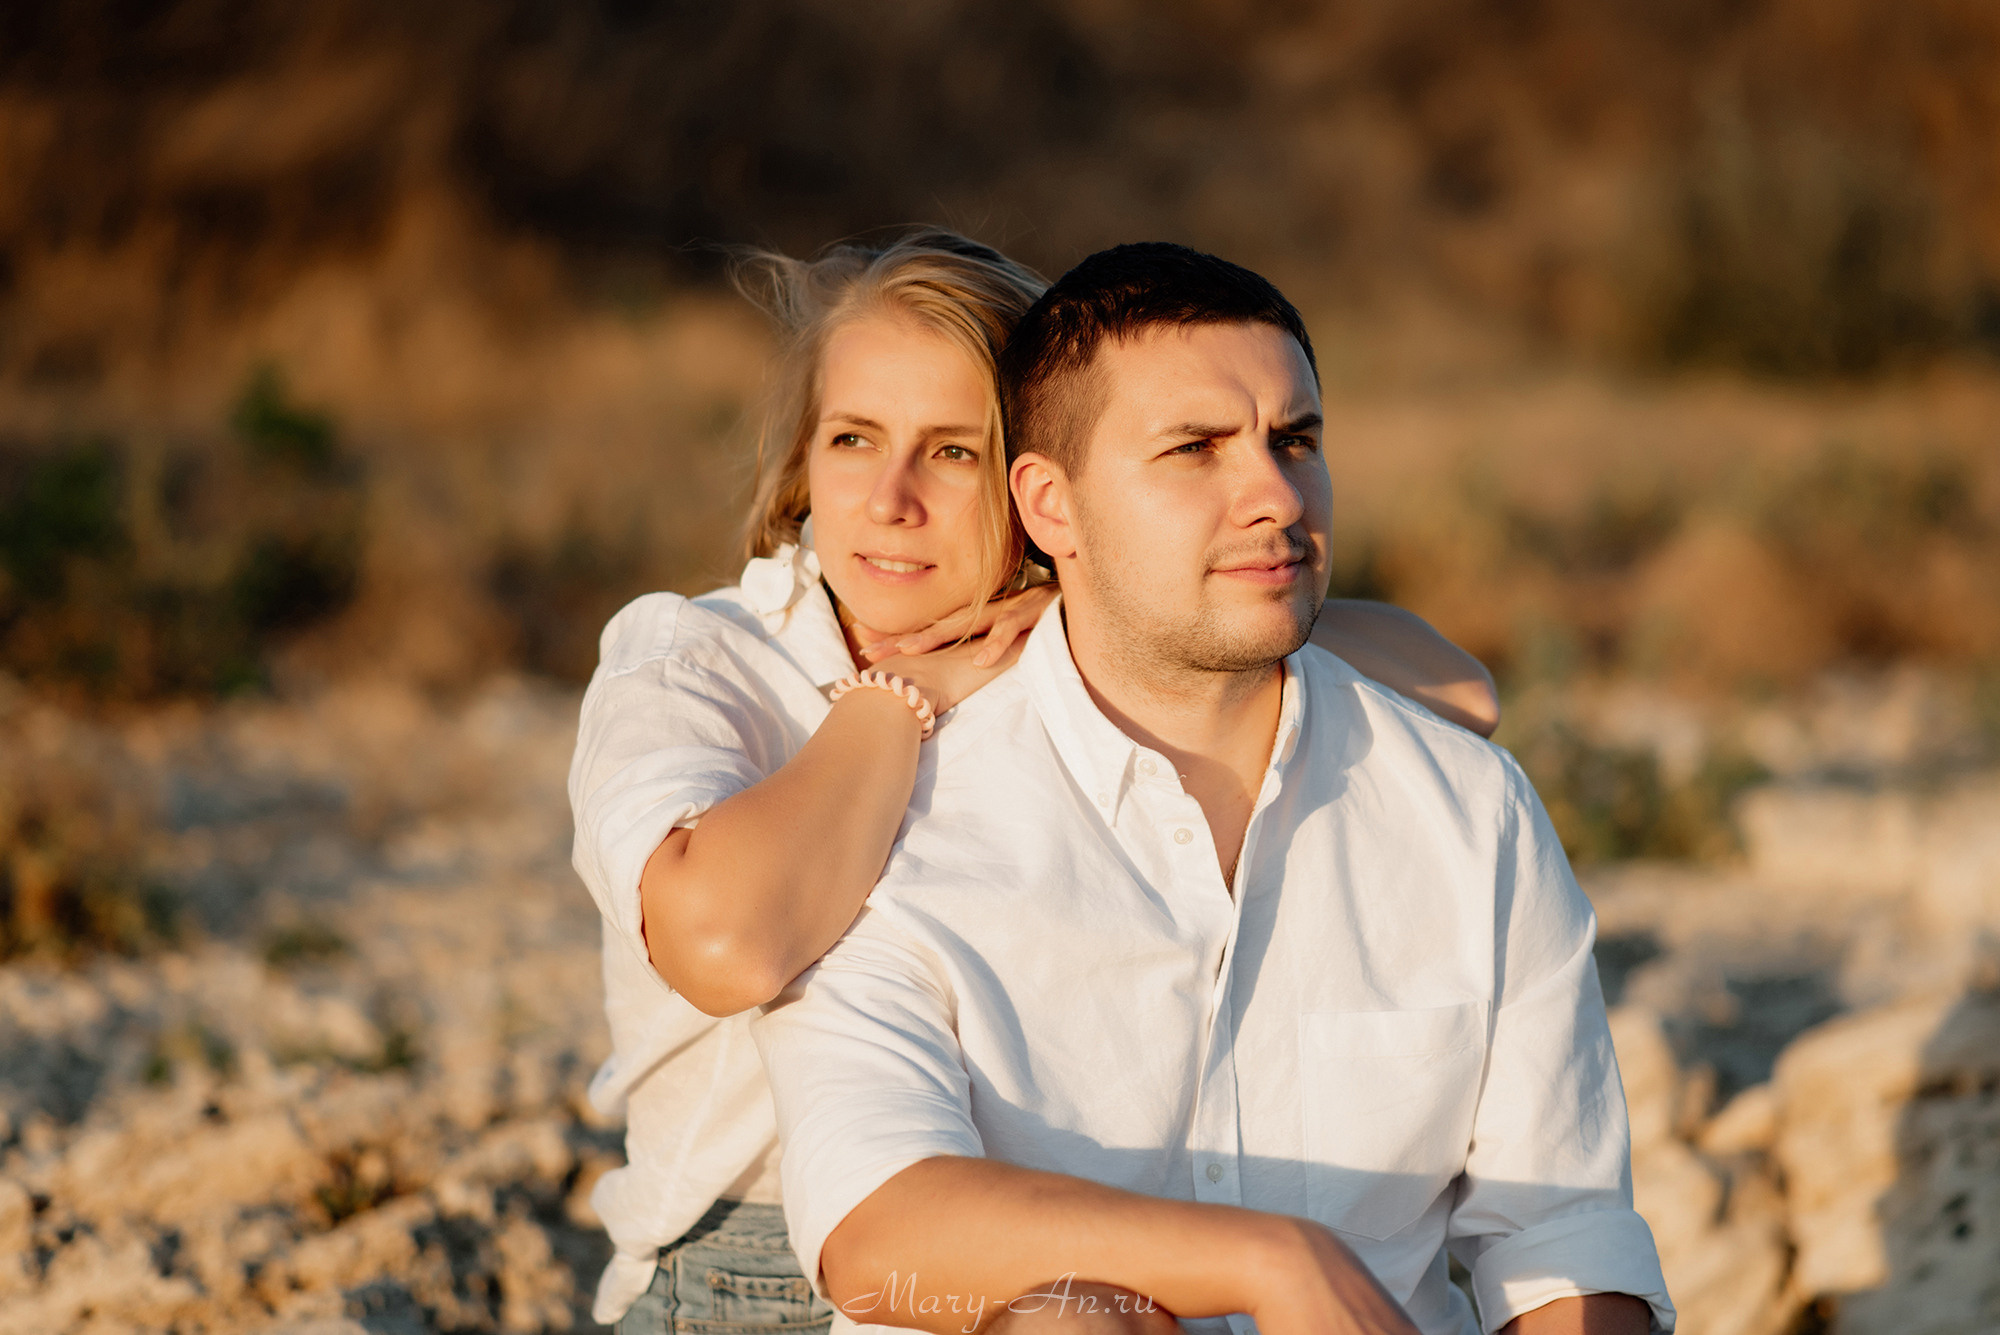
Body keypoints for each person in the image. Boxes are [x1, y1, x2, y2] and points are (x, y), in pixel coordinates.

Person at [568, 229, 1504, 1333]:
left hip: (1056, 1234)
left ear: (1042, 489)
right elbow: (726, 945)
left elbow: (1458, 690)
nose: (891, 498)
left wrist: (1111, 604)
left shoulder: (1066, 652)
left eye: (953, 452)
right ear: (803, 460)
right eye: (854, 438)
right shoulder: (702, 660)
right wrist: (905, 696)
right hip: (752, 1276)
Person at [750, 244, 1674, 1335]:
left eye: (1296, 441)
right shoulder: (899, 818)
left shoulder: (1471, 810)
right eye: (1195, 448)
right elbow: (875, 1228)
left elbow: (1561, 1234)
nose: (1275, 495)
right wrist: (1270, 1261)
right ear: (1050, 507)